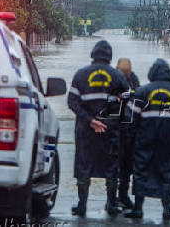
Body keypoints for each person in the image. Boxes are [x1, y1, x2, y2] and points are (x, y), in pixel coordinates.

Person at [68, 40, 129, 217]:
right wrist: (108, 122)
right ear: (110, 56)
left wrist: (91, 121)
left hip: (86, 130)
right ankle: (111, 205)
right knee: (111, 167)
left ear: (93, 54)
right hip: (110, 131)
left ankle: (82, 206)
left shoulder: (80, 74)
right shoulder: (117, 76)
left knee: (84, 166)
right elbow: (127, 102)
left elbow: (72, 102)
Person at [124, 58, 170, 220]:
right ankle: (166, 210)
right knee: (167, 173)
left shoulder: (141, 92)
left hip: (145, 139)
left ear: (151, 73)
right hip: (169, 142)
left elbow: (129, 119)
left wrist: (130, 140)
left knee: (140, 172)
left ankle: (138, 209)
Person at [116, 58, 140, 209]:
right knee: (115, 164)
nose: (125, 76)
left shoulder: (134, 80)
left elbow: (138, 99)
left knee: (127, 165)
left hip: (130, 129)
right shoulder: (113, 79)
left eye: (127, 73)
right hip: (116, 128)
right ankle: (112, 198)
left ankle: (123, 195)